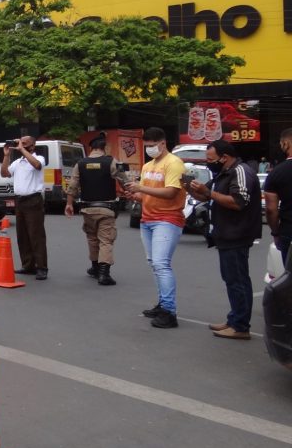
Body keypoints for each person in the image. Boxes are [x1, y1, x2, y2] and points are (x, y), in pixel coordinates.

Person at [187, 140, 261, 340]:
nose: (208, 162)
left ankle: (240, 326)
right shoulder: (223, 173)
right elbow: (205, 196)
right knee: (231, 280)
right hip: (225, 234)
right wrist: (189, 187)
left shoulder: (240, 172)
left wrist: (208, 192)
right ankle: (234, 319)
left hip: (237, 234)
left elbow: (238, 202)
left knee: (238, 281)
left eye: (210, 159)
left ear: (224, 157)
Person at [125, 127, 185, 329]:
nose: (149, 149)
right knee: (155, 264)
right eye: (147, 146)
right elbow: (147, 195)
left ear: (162, 143)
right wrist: (136, 195)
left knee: (161, 264)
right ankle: (163, 304)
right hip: (147, 219)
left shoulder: (174, 163)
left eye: (152, 146)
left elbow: (170, 193)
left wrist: (141, 188)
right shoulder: (148, 166)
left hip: (167, 219)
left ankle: (169, 311)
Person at [65, 133, 124, 286]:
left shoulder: (80, 163)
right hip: (106, 209)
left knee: (92, 238)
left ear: (91, 148)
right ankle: (104, 274)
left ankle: (95, 267)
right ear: (104, 148)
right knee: (106, 240)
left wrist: (69, 204)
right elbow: (124, 179)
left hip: (87, 209)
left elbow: (72, 186)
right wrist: (128, 190)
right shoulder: (111, 161)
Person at [0, 136, 48, 279]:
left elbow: (37, 166)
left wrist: (22, 149)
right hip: (19, 201)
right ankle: (28, 265)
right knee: (23, 236)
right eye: (20, 143)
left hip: (33, 199)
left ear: (32, 146)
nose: (21, 145)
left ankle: (41, 267)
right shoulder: (17, 162)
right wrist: (6, 156)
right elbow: (4, 173)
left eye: (25, 143)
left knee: (36, 235)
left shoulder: (38, 158)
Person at [264, 127, 292, 267]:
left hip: (289, 229)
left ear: (285, 144)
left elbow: (271, 209)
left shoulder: (276, 173)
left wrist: (275, 232)